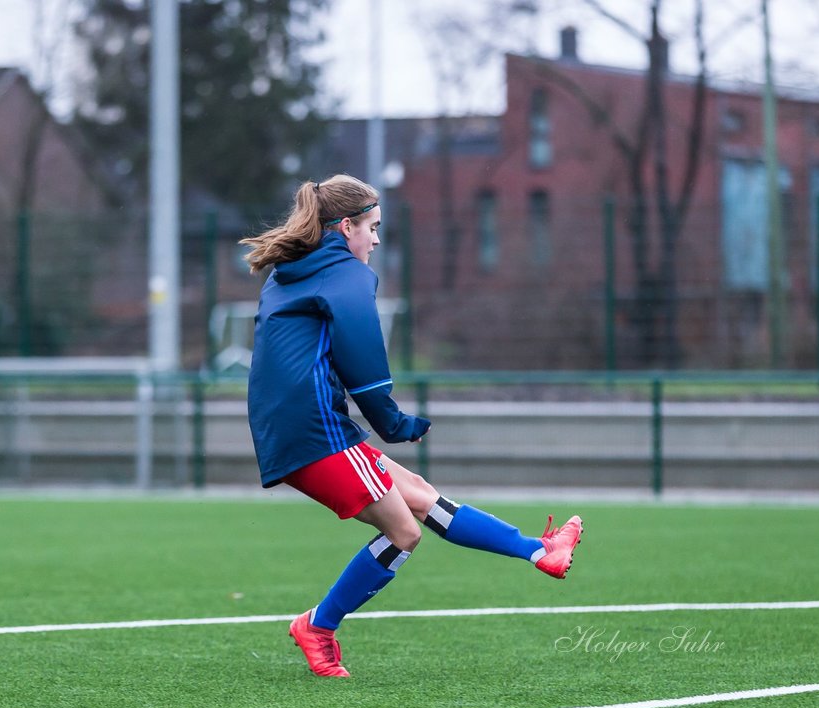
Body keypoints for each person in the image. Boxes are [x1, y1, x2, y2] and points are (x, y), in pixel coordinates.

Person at [240, 175, 582, 678]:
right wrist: (394, 422)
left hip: (294, 427)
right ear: (345, 226)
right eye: (373, 228)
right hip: (314, 431)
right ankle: (318, 625)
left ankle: (539, 551)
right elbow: (364, 361)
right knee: (403, 532)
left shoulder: (289, 272)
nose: (376, 240)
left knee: (421, 496)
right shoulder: (347, 275)